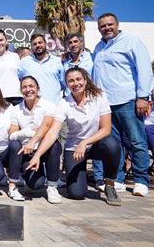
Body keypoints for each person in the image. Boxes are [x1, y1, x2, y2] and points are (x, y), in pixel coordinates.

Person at [28, 67, 122, 206]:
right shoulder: (64, 103)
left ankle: (109, 184)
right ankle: (79, 177)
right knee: (77, 194)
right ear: (66, 84)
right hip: (73, 149)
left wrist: (85, 142)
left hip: (95, 144)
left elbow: (106, 129)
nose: (75, 83)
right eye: (70, 81)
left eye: (78, 79)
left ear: (85, 80)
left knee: (112, 145)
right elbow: (53, 132)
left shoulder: (100, 96)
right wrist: (37, 155)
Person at [92, 12, 154, 197]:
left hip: (128, 100)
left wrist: (142, 96)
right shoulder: (99, 47)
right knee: (114, 144)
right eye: (103, 26)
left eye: (110, 24)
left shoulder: (131, 42)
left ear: (117, 24)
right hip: (106, 104)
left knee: (137, 141)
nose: (107, 28)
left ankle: (141, 181)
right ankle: (117, 179)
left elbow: (144, 69)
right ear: (99, 29)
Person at [9, 76, 62, 204]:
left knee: (55, 145)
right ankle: (21, 181)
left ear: (37, 88)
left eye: (31, 86)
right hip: (27, 152)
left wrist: (32, 140)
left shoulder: (49, 105)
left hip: (45, 149)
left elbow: (47, 126)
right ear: (21, 91)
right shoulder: (16, 110)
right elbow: (12, 134)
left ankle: (52, 186)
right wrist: (27, 131)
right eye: (24, 87)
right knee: (36, 185)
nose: (28, 89)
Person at [63, 32, 103, 191]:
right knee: (71, 136)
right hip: (72, 104)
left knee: (102, 139)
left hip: (91, 102)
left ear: (81, 42)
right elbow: (62, 81)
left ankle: (101, 178)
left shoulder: (92, 58)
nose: (73, 44)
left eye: (75, 41)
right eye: (70, 42)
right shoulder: (65, 62)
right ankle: (73, 174)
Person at [17, 34, 64, 104]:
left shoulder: (57, 61)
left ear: (45, 43)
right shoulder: (24, 62)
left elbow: (63, 83)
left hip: (54, 105)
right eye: (34, 44)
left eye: (40, 42)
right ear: (31, 47)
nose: (38, 45)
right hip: (33, 106)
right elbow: (20, 80)